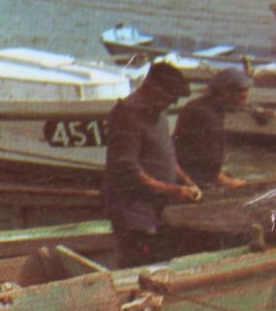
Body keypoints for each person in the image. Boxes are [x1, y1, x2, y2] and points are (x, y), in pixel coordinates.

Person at [102, 60, 201, 268]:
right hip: (133, 212)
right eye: (170, 97)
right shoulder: (127, 114)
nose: (172, 104)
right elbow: (127, 170)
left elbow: (165, 156)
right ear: (151, 87)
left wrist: (185, 180)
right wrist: (171, 190)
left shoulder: (158, 113)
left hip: (158, 207)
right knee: (138, 264)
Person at [174, 67, 253, 191]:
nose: (245, 102)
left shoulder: (204, 105)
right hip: (191, 177)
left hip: (188, 170)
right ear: (225, 93)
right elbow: (208, 159)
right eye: (242, 97)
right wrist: (223, 179)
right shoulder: (207, 115)